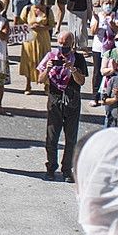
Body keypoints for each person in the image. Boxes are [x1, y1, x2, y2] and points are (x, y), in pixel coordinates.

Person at [39, 31, 86, 182]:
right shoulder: (51, 56)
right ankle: (51, 168)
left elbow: (81, 81)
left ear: (72, 44)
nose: (62, 47)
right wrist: (47, 68)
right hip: (55, 99)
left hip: (72, 99)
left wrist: (72, 69)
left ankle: (67, 169)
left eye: (65, 44)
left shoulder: (78, 58)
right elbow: (40, 80)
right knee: (51, 137)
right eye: (60, 43)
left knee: (70, 138)